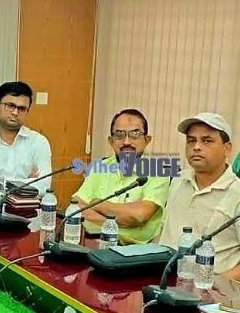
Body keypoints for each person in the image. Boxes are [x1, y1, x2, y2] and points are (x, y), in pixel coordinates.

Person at [159, 113, 240, 280]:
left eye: (207, 141)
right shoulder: (178, 180)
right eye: (191, 141)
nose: (196, 147)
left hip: (209, 289)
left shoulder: (236, 193)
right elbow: (163, 233)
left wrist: (213, 285)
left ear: (227, 148)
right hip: (162, 280)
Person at [73, 109, 170, 244]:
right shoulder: (100, 166)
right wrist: (115, 222)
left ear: (146, 140)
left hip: (134, 251)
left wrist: (96, 203)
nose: (126, 142)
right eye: (119, 135)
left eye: (135, 134)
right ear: (111, 141)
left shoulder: (158, 172)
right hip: (95, 243)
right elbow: (76, 206)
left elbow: (138, 215)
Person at [0, 81, 52, 195]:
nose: (15, 112)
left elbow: (44, 186)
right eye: (10, 106)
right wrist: (26, 183)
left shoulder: (39, 142)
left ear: (27, 111)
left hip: (28, 206)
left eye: (22, 108)